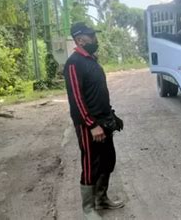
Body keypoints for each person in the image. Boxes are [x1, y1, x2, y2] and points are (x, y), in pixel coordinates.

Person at [64, 22, 124, 220]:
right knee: (91, 163)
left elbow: (99, 94)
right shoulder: (73, 63)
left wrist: (111, 115)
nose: (94, 39)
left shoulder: (92, 60)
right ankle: (88, 208)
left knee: (108, 160)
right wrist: (91, 124)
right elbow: (77, 99)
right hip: (89, 125)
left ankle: (101, 198)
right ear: (80, 39)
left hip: (104, 121)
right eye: (91, 36)